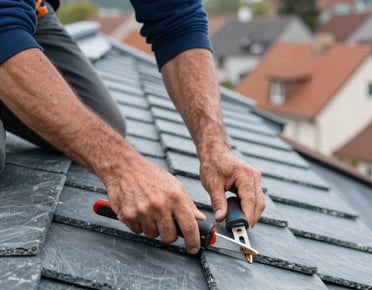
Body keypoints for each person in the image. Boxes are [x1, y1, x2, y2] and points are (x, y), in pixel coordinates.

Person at [0, 0, 265, 254]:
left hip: (23, 9)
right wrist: (123, 168)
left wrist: (214, 147)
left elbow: (178, 21)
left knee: (102, 122)